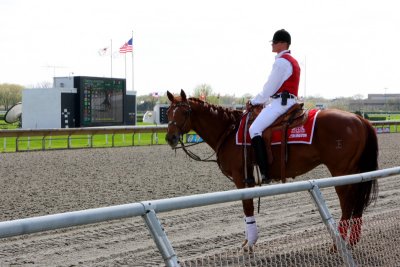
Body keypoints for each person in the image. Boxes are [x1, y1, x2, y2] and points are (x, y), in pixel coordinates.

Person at [247, 29, 301, 184]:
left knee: (254, 129)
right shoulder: (292, 61)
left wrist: (254, 101)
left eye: (275, 42)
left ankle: (265, 172)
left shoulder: (281, 62)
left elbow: (269, 89)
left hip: (280, 103)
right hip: (287, 100)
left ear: (283, 44)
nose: (272, 44)